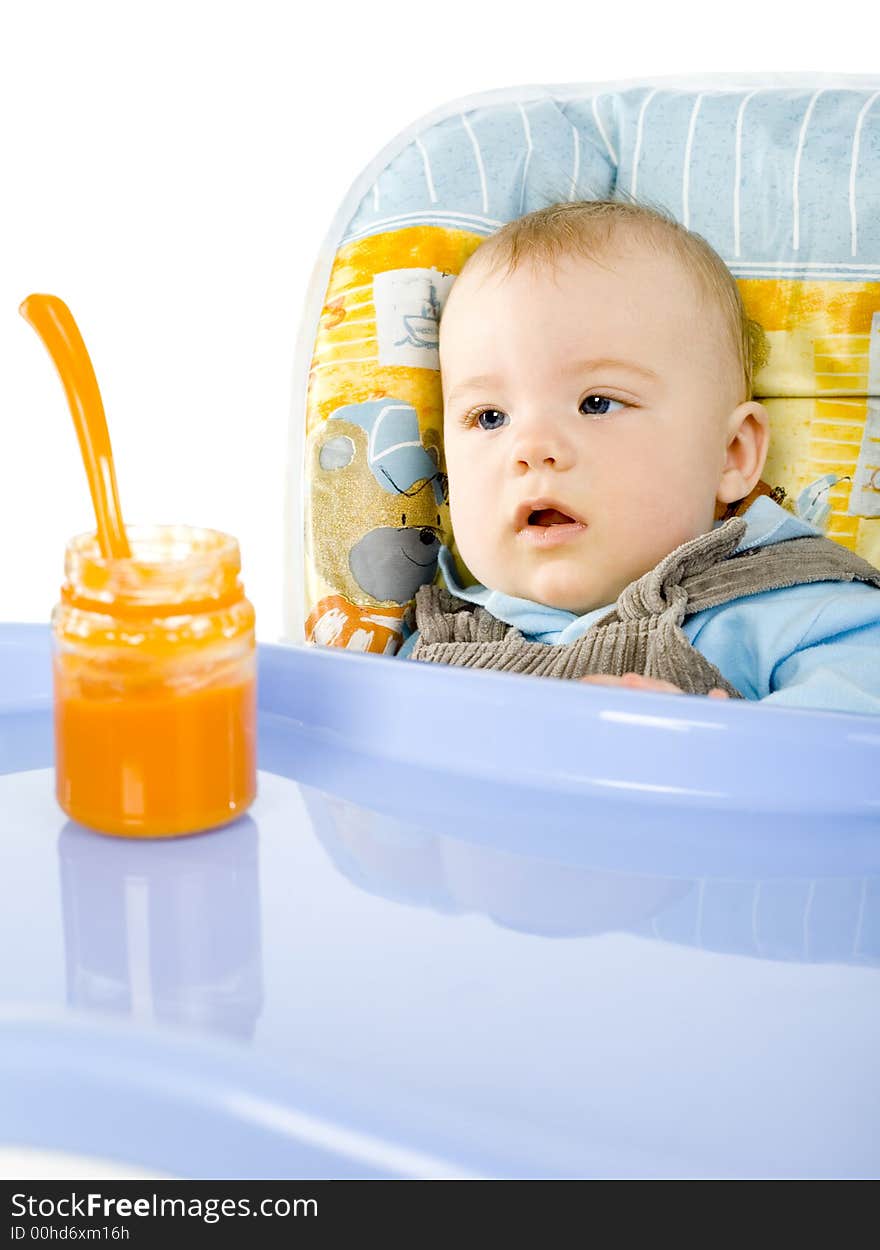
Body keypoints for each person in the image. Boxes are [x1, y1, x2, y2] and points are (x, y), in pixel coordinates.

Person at [397, 200, 880, 714]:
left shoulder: (797, 610)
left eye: (596, 403)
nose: (532, 448)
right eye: (490, 417)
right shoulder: (432, 647)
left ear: (730, 455)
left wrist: (714, 747)